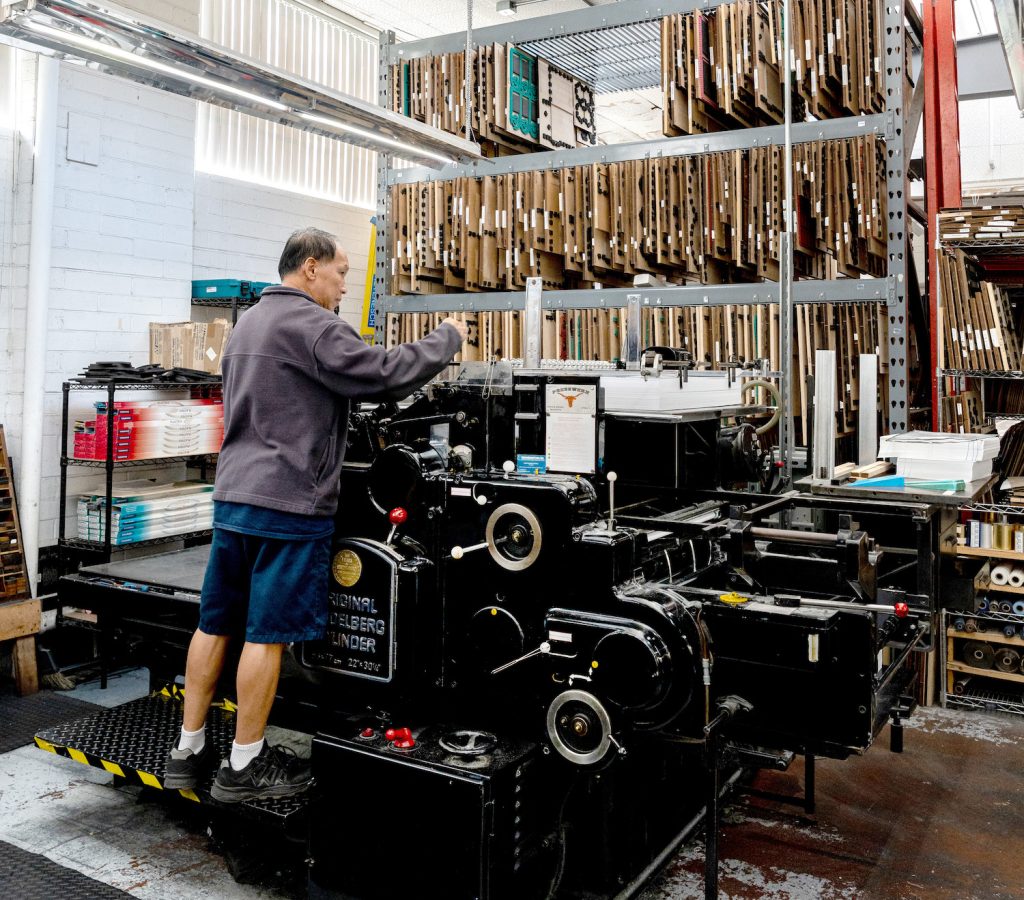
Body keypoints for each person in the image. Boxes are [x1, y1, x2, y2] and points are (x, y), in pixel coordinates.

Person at [164, 227, 467, 802]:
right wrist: (445, 338)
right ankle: (244, 767)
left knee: (215, 622)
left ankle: (188, 748)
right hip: (287, 502)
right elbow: (383, 374)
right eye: (341, 272)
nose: (344, 284)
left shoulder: (245, 325)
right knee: (267, 635)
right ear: (309, 268)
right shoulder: (314, 326)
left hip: (234, 496)